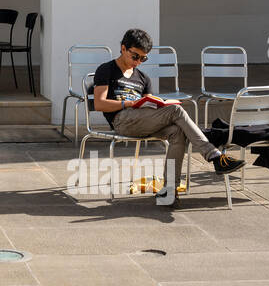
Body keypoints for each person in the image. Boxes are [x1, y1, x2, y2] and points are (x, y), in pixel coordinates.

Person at [91, 29, 244, 206]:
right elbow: (99, 104)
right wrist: (129, 104)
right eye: (135, 56)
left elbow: (151, 107)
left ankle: (169, 191)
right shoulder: (106, 70)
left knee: (177, 131)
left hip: (144, 121)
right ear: (123, 48)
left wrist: (152, 104)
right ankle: (214, 156)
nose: (138, 62)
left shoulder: (143, 78)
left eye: (143, 58)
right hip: (121, 121)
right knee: (176, 111)